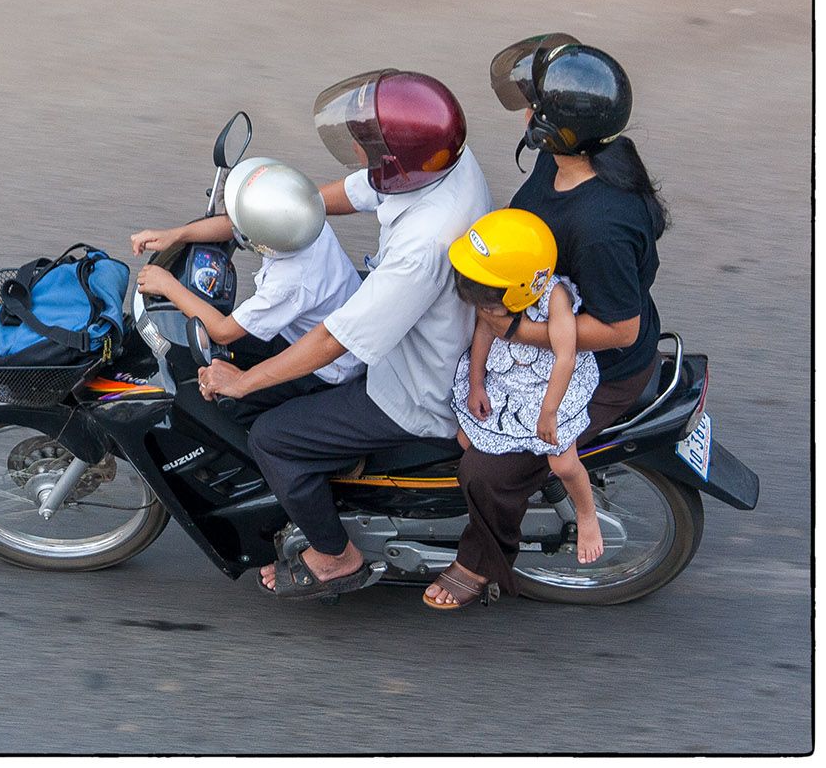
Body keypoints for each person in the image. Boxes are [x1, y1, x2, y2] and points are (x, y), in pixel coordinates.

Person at [195, 69, 494, 599]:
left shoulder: (423, 246)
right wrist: (278, 210)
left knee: (274, 438)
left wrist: (243, 383)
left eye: (368, 142)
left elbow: (334, 342)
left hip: (410, 385)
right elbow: (336, 197)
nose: (358, 146)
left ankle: (336, 556)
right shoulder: (444, 160)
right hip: (413, 328)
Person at [424, 35, 670, 608]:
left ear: (559, 127)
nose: (527, 114)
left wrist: (514, 331)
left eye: (536, 108)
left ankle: (479, 561)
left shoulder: (602, 224)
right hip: (531, 313)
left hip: (595, 365)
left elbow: (620, 331)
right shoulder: (561, 158)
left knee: (485, 472)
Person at [130, 158, 366, 419]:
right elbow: (235, 227)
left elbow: (222, 331)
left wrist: (167, 284)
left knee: (221, 402)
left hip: (326, 368)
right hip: (305, 328)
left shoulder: (288, 281)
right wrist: (176, 235)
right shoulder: (301, 220)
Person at [443, 209, 604, 591]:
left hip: (553, 384)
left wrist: (549, 414)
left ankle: (586, 513)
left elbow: (565, 355)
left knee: (562, 461)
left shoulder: (556, 298)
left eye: (494, 306)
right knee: (467, 439)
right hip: (510, 375)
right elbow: (485, 331)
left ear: (520, 291)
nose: (488, 313)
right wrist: (476, 384)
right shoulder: (494, 291)